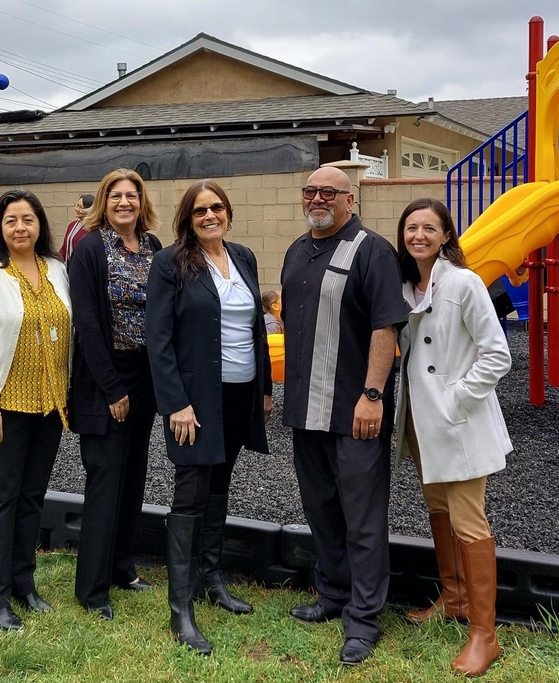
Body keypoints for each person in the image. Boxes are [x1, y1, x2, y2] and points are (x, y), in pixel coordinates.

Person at [280, 166, 409, 666]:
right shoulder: (296, 250)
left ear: (348, 200)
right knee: (321, 509)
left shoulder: (372, 251)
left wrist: (372, 394)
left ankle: (363, 618)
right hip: (305, 410)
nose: (318, 198)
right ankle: (333, 594)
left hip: (356, 410)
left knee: (363, 517)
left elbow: (385, 326)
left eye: (328, 192)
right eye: (310, 191)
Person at [146, 180, 272, 656]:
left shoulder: (243, 257)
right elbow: (158, 340)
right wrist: (176, 402)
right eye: (199, 210)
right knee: (191, 491)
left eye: (216, 207)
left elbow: (256, 328)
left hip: (239, 395)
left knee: (220, 484)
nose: (209, 215)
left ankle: (210, 578)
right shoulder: (170, 264)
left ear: (228, 212)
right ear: (188, 218)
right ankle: (181, 608)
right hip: (195, 399)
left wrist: (263, 388)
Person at [395, 198, 512, 677]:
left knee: (469, 520)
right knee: (438, 509)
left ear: (446, 235)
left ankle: (486, 636)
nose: (418, 235)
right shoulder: (404, 287)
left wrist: (455, 400)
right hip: (421, 425)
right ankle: (454, 598)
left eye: (429, 228)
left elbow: (497, 354)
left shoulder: (463, 283)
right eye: (410, 227)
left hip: (456, 423)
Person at [0, 189, 73, 631]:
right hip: (3, 406)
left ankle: (23, 583)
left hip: (49, 407)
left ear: (40, 224)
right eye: (11, 221)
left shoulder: (59, 271)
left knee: (31, 499)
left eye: (28, 219)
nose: (21, 227)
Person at [67, 169, 160, 621]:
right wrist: (112, 387)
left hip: (146, 377)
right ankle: (92, 588)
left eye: (132, 195)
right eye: (117, 196)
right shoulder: (89, 250)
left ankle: (123, 567)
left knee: (133, 474)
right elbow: (86, 323)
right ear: (104, 201)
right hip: (105, 378)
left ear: (142, 202)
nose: (125, 202)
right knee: (105, 477)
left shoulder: (153, 248)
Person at [59, 193, 94, 263]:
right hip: (69, 265)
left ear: (89, 209)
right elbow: (64, 248)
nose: (77, 209)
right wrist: (56, 261)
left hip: (81, 266)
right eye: (77, 205)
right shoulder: (72, 225)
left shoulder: (92, 228)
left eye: (81, 207)